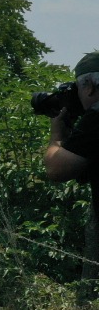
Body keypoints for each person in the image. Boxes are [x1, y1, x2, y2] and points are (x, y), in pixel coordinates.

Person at [43, 53, 99, 200]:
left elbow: (56, 169)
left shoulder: (96, 116)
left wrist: (57, 134)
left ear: (90, 87)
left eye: (77, 88)